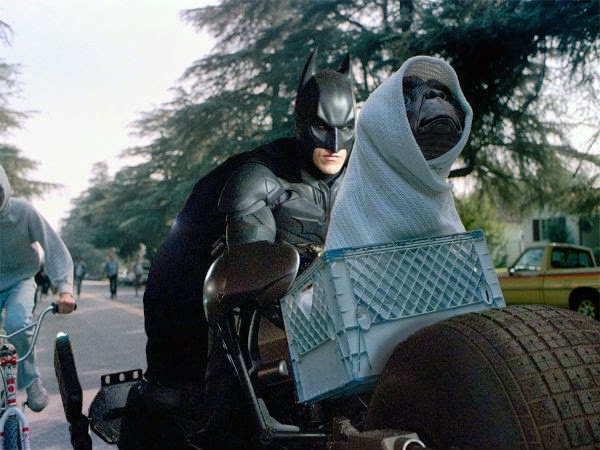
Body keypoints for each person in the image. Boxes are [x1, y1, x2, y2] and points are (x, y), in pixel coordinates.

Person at [120, 48, 357, 449]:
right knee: (239, 411)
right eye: (322, 127)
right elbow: (251, 271)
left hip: (344, 313)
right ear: (302, 124)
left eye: (345, 127)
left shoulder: (363, 175)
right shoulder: (257, 178)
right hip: (262, 313)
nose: (334, 143)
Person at [326, 55, 473, 250]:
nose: (436, 96)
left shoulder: (446, 218)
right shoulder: (352, 218)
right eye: (405, 100)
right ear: (379, 130)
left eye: (445, 96)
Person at [0, 164, 77, 412]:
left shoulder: (23, 211)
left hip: (20, 280)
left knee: (16, 323)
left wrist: (65, 290)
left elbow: (52, 246)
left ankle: (31, 380)